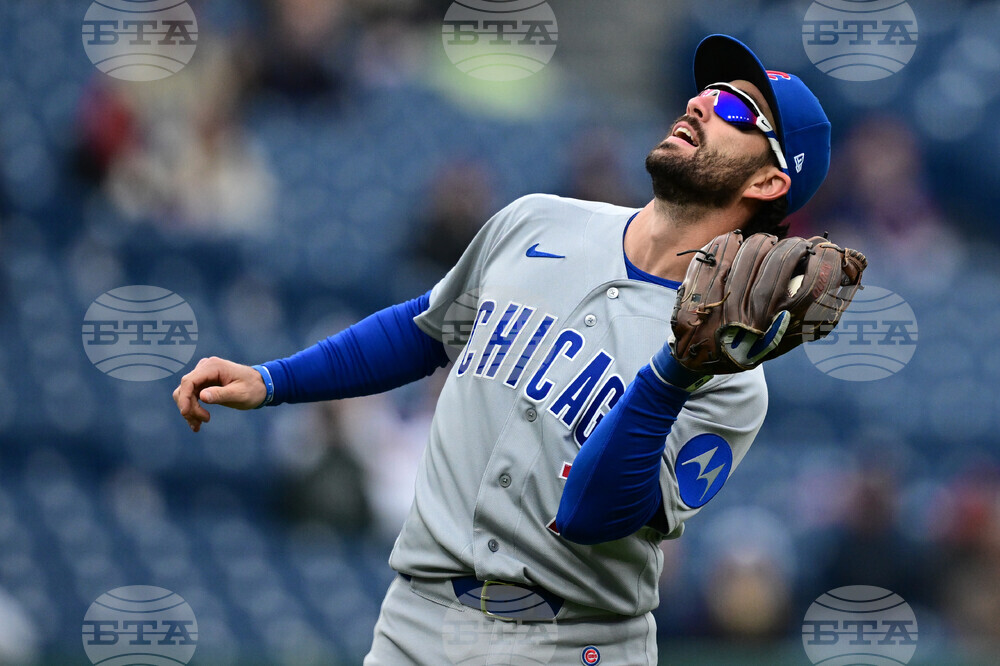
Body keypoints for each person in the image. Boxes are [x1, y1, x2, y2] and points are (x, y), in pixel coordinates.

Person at [172, 34, 832, 664]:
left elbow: (594, 515)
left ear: (768, 182)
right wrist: (274, 380)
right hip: (417, 623)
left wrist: (674, 374)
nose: (701, 104)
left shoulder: (730, 377)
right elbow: (424, 330)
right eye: (707, 91)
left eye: (735, 109)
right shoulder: (538, 219)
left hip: (577, 642)